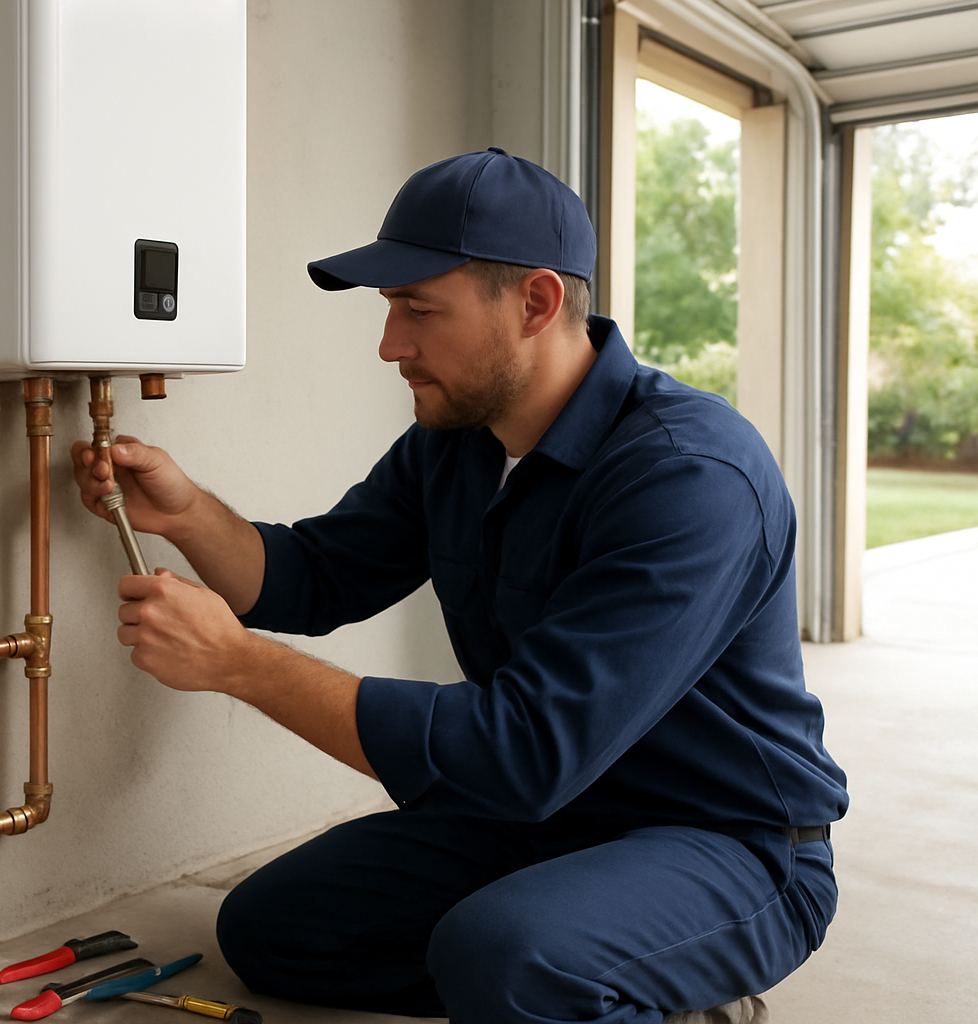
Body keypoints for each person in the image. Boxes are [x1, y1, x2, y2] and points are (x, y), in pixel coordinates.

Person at [70, 149, 847, 1024]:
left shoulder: (689, 477)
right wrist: (186, 513)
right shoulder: (460, 442)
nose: (389, 344)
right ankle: (590, 967)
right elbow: (315, 577)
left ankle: (655, 983)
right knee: (273, 929)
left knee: (503, 956)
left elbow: (525, 752)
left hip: (726, 841)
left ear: (537, 302)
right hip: (545, 820)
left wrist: (240, 665)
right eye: (390, 309)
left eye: (418, 310)